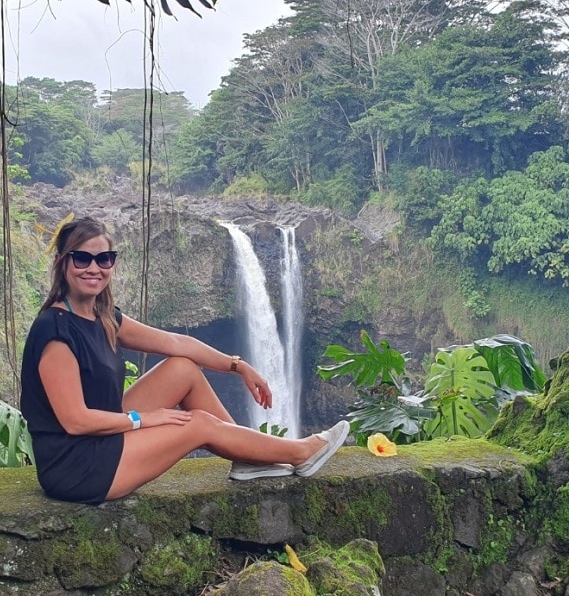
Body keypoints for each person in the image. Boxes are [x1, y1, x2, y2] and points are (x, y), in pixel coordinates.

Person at [20, 215, 349, 505]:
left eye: (104, 259)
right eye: (82, 259)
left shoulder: (103, 317)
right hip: (76, 467)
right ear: (63, 263)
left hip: (102, 439)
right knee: (200, 424)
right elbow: (75, 421)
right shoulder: (55, 330)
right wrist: (144, 418)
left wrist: (238, 366)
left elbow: (177, 342)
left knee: (182, 369)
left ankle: (250, 457)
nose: (94, 268)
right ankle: (300, 453)